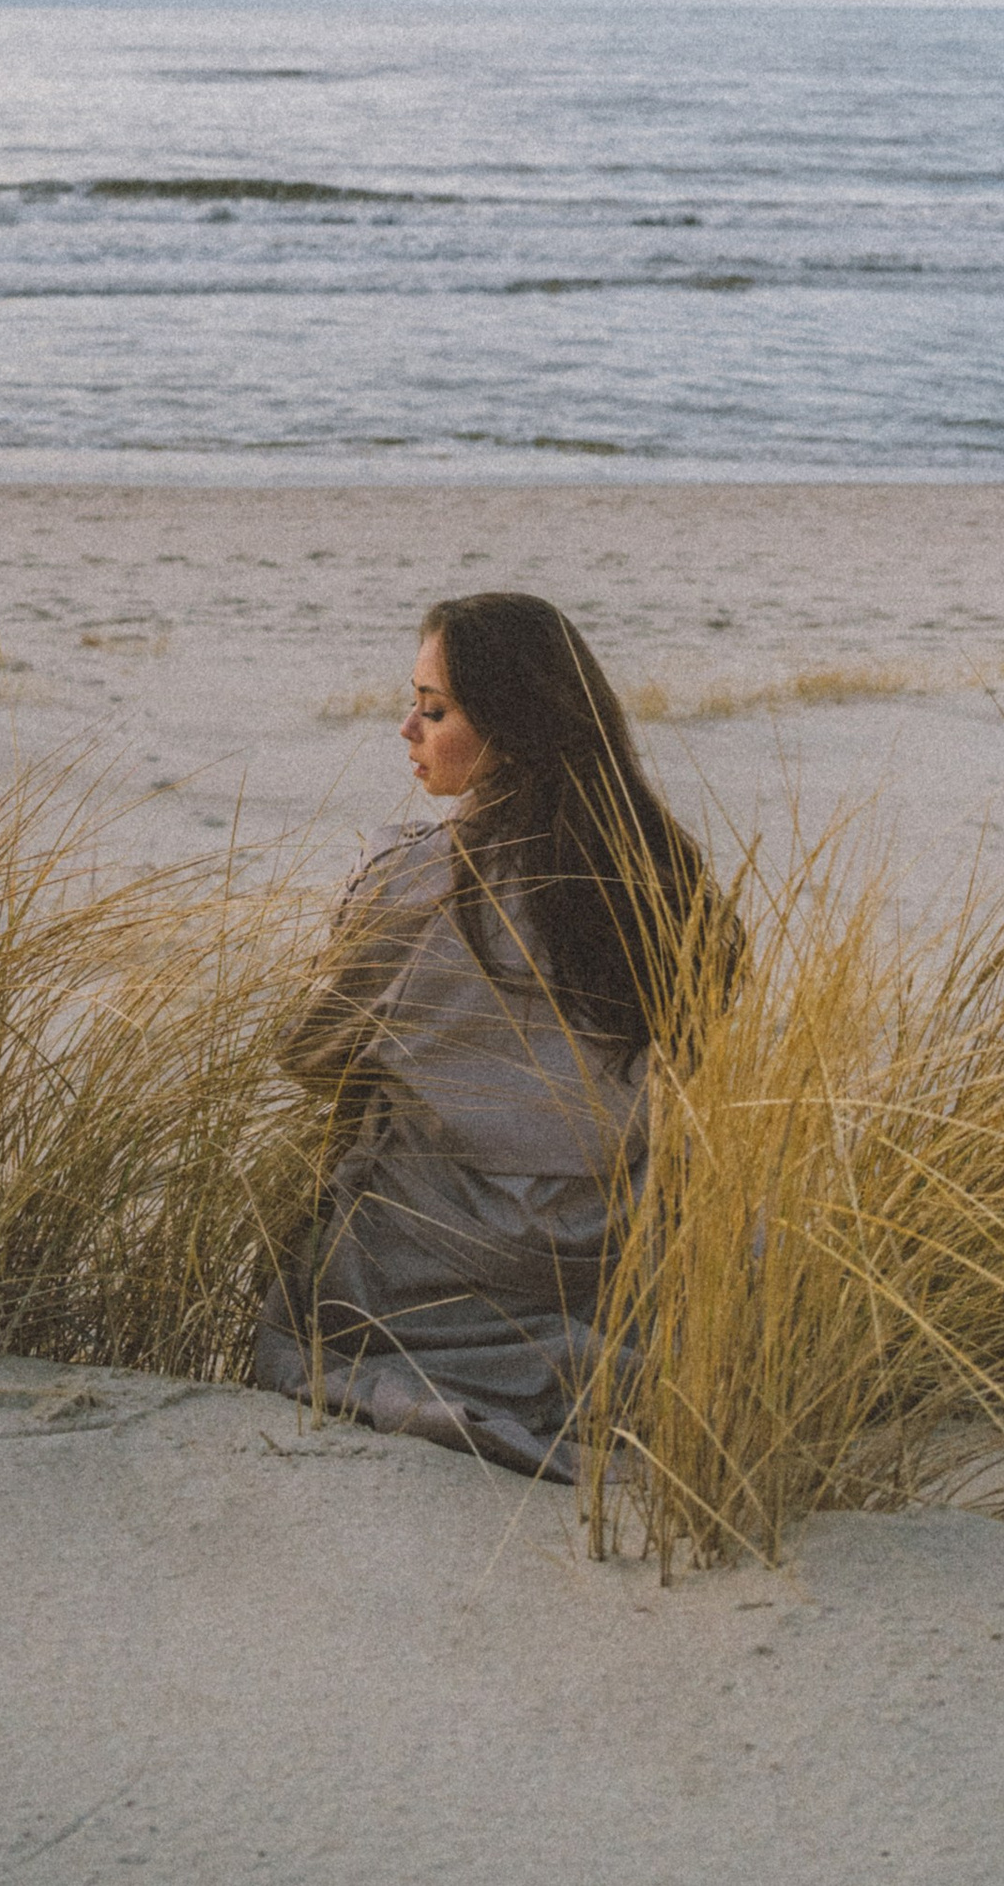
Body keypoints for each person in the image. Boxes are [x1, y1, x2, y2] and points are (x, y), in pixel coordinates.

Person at [252, 587, 731, 1481]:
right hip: (617, 1266)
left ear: (511, 725)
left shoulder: (412, 879)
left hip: (421, 1274)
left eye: (433, 710)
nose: (407, 728)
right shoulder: (667, 879)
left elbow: (307, 1054)